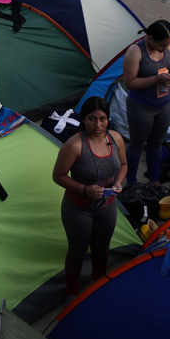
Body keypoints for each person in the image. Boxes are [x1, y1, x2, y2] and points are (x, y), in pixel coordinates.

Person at [52, 96, 128, 300]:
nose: (98, 125)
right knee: (77, 251)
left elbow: (124, 165)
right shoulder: (75, 145)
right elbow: (58, 176)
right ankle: (72, 291)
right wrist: (85, 189)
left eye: (103, 119)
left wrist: (119, 182)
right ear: (83, 120)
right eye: (92, 119)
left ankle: (100, 283)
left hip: (107, 206)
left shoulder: (115, 138)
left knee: (102, 249)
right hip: (79, 209)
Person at [121, 20, 170, 187]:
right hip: (141, 107)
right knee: (137, 145)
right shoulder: (135, 51)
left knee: (156, 145)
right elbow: (129, 83)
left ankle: (154, 179)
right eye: (161, 45)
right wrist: (156, 79)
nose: (165, 49)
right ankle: (131, 181)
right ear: (151, 38)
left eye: (168, 45)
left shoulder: (168, 47)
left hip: (164, 105)